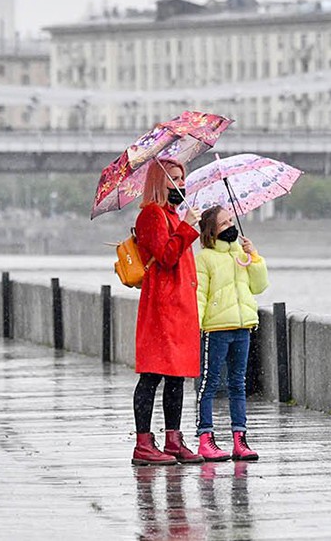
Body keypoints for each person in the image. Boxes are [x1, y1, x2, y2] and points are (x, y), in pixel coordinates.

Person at [130, 158, 204, 465]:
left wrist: (185, 224)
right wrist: (188, 227)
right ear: (159, 183)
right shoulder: (152, 214)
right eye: (173, 179)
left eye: (181, 178)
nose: (180, 184)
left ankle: (174, 440)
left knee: (177, 377)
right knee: (152, 375)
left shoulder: (173, 215)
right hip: (162, 306)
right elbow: (167, 255)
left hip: (181, 306)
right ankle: (143, 444)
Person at [194, 205, 268, 462]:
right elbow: (199, 294)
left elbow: (259, 286)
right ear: (212, 232)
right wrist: (197, 324)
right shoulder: (204, 258)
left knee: (238, 384)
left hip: (243, 326)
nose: (230, 227)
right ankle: (206, 438)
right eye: (224, 224)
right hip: (216, 329)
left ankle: (240, 439)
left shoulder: (241, 253)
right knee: (209, 383)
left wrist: (255, 257)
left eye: (230, 221)